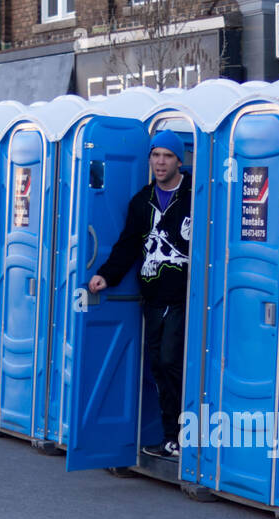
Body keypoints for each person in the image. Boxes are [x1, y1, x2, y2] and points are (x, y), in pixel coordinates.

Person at [88, 130, 192, 460]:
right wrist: (106, 274)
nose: (161, 162)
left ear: (179, 161)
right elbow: (128, 246)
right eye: (156, 155)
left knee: (170, 362)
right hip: (153, 296)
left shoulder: (195, 196)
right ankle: (171, 437)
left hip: (185, 297)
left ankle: (179, 438)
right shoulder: (141, 201)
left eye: (168, 156)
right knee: (160, 367)